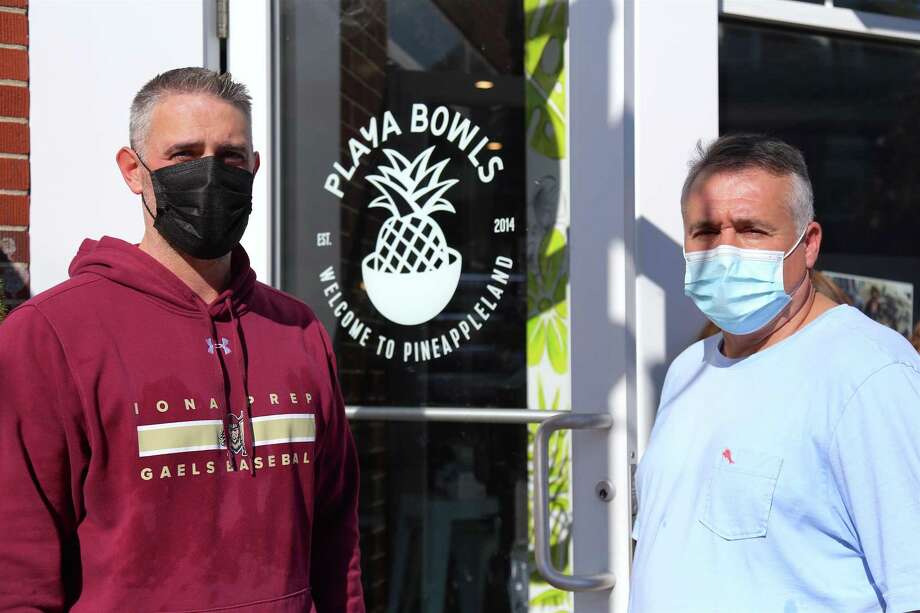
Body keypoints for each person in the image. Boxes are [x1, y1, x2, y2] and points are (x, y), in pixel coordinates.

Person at [0, 68, 364, 612]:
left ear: (254, 169)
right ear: (133, 170)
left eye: (231, 156)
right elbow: (18, 567)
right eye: (184, 155)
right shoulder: (49, 336)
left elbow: (337, 542)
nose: (210, 174)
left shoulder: (299, 332)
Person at [630, 134, 920, 613]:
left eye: (750, 229)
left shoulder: (871, 376)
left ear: (808, 245)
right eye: (704, 231)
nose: (724, 249)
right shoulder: (690, 368)